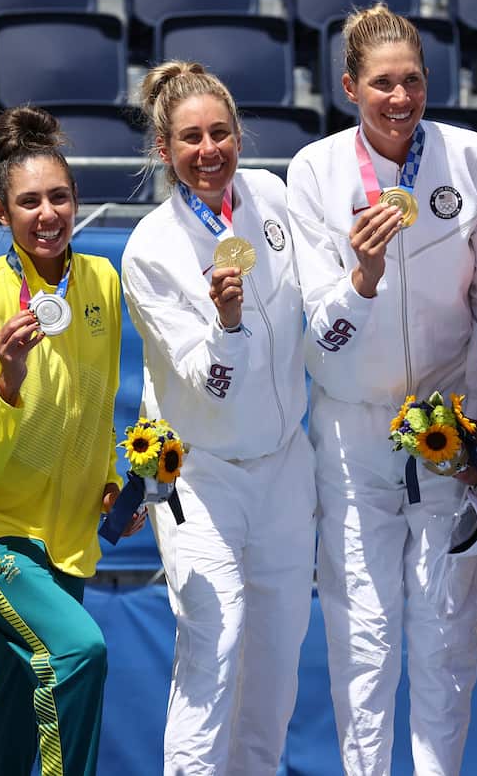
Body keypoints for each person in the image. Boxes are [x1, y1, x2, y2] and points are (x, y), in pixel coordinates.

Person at [285, 3, 477, 775]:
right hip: (354, 429)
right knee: (365, 629)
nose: (400, 98)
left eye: (413, 80)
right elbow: (321, 329)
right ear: (350, 87)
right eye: (382, 83)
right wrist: (362, 278)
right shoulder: (316, 172)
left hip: (450, 424)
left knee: (446, 627)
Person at [120, 60, 317, 775]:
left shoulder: (271, 196)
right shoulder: (151, 248)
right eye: (190, 138)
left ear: (239, 134)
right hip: (201, 477)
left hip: (286, 468)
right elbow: (209, 383)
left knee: (275, 663)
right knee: (215, 643)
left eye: (221, 133)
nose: (210, 151)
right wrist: (227, 322)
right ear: (164, 151)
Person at [0, 106, 124, 776]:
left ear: (76, 200)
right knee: (77, 653)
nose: (46, 213)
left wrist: (108, 476)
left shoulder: (103, 281)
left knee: (16, 707)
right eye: (28, 202)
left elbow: (97, 398)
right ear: (0, 211)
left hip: (69, 537)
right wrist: (10, 383)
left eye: (58, 196)